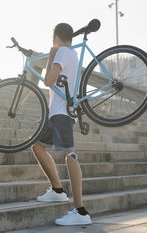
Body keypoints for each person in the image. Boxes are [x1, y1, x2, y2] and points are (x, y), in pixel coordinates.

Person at [31, 23, 92, 226]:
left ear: (56, 36)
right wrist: (47, 115)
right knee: (37, 146)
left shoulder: (63, 53)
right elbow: (57, 88)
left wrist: (51, 56)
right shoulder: (70, 54)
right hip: (56, 113)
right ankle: (58, 190)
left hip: (63, 114)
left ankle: (81, 211)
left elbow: (48, 81)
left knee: (70, 154)